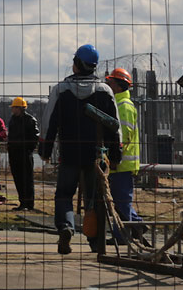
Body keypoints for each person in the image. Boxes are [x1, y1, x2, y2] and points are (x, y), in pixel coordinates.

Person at [38, 44, 121, 254]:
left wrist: (45, 151)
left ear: (76, 64)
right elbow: (114, 126)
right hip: (96, 155)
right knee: (94, 198)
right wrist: (116, 153)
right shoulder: (105, 91)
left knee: (64, 195)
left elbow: (49, 123)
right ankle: (95, 242)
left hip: (70, 153)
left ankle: (66, 227)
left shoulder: (61, 90)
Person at [105, 67, 143, 242]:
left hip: (122, 162)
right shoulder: (117, 104)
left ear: (119, 86)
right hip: (119, 162)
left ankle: (122, 235)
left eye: (111, 82)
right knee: (120, 199)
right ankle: (137, 225)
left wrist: (114, 156)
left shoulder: (123, 106)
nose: (108, 84)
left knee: (121, 201)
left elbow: (124, 136)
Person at [7, 97, 40, 212]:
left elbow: (35, 137)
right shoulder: (12, 120)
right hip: (14, 154)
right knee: (18, 179)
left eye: (14, 108)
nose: (12, 110)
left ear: (20, 108)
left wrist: (28, 150)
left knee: (27, 179)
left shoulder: (30, 120)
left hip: (25, 155)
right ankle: (22, 203)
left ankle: (29, 204)